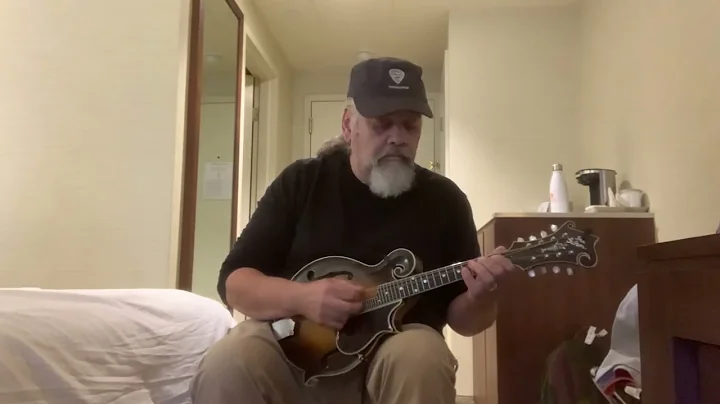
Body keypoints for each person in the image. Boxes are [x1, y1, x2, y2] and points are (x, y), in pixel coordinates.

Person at [190, 57, 515, 404]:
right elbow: (236, 283)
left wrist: (484, 296)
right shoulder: (302, 181)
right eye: (382, 125)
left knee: (423, 355)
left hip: (395, 352)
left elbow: (465, 321)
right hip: (293, 347)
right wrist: (303, 298)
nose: (398, 138)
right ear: (349, 125)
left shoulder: (445, 200)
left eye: (410, 126)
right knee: (228, 362)